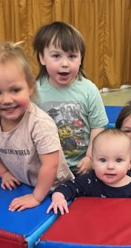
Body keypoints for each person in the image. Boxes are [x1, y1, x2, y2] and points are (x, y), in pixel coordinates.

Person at [0, 42, 74, 212]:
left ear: (30, 87)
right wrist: (4, 173)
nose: (6, 100)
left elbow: (50, 165)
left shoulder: (39, 124)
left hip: (56, 187)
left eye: (15, 90)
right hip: (25, 181)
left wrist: (36, 197)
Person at [47, 129, 131, 215]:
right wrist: (59, 197)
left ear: (130, 163)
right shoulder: (89, 181)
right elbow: (68, 187)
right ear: (93, 162)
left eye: (118, 160)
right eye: (102, 160)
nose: (110, 166)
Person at [34, 21, 109, 177]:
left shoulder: (89, 90)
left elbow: (97, 127)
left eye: (72, 56)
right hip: (48, 165)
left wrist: (90, 157)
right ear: (42, 58)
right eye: (56, 56)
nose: (65, 64)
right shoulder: (35, 91)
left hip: (83, 165)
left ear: (81, 58)